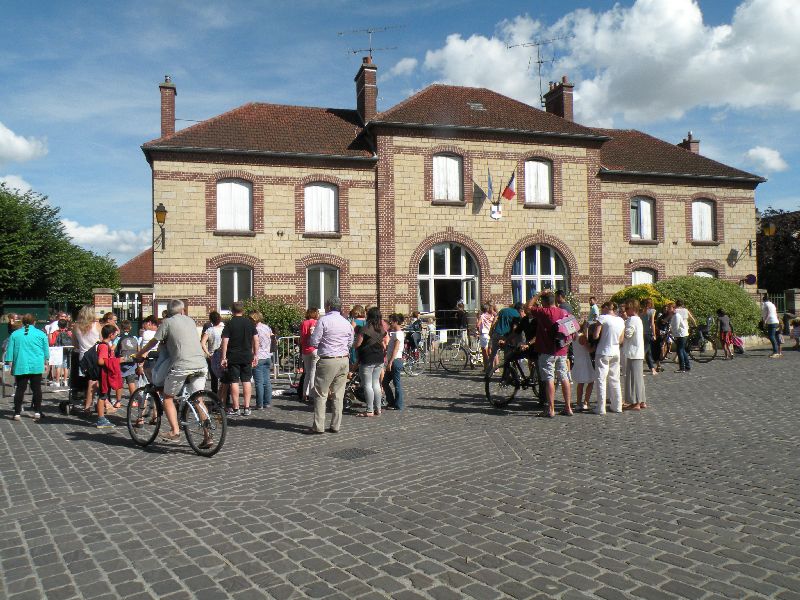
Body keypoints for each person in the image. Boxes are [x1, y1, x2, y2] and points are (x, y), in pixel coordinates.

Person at [135, 300, 210, 445]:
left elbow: (154, 341)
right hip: (201, 364)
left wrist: (141, 353)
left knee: (167, 397)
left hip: (183, 365)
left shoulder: (167, 323)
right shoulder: (190, 321)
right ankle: (208, 436)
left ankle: (175, 431)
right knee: (198, 399)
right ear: (183, 311)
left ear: (168, 312)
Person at [308, 297, 354, 434]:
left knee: (321, 393)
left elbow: (314, 341)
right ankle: (335, 425)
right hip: (343, 359)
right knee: (338, 394)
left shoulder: (323, 320)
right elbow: (350, 342)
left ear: (328, 306)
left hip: (328, 359)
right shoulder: (346, 322)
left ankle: (319, 426)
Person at [527, 292, 573, 418]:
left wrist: (538, 294)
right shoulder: (563, 312)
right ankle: (568, 407)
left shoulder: (544, 312)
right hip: (562, 350)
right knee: (564, 377)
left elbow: (528, 307)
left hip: (547, 351)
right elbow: (572, 328)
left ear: (545, 302)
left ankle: (550, 409)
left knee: (549, 379)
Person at [6, 314, 49, 421]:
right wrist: (46, 361)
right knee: (37, 389)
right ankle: (38, 411)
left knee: (20, 389)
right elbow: (46, 350)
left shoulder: (15, 334)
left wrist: (9, 362)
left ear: (23, 322)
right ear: (34, 322)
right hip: (36, 364)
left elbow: (9, 350)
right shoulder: (41, 334)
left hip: (21, 364)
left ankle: (17, 413)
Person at [220, 302, 258, 416]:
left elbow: (225, 341)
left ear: (232, 311)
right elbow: (256, 340)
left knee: (234, 381)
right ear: (243, 310)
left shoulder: (229, 323)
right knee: (246, 381)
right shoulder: (250, 323)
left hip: (233, 356)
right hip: (247, 355)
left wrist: (223, 357)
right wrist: (256, 354)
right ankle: (247, 407)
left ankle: (236, 408)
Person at [354, 307, 387, 417]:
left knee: (367, 384)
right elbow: (383, 344)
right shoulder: (381, 329)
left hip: (367, 358)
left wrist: (352, 344)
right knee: (376, 383)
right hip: (379, 359)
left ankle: (369, 410)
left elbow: (358, 344)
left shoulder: (365, 329)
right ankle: (378, 409)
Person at [592, 302, 625, 414]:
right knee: (615, 379)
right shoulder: (621, 320)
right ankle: (617, 406)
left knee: (601, 379)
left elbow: (595, 335)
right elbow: (621, 340)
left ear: (606, 308)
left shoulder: (602, 318)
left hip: (603, 351)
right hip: (616, 351)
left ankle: (601, 407)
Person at [72, 305, 101, 412]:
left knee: (89, 379)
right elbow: (102, 340)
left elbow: (75, 344)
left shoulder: (76, 326)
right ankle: (91, 404)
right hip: (95, 355)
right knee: (94, 381)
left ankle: (89, 402)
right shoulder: (96, 325)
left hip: (83, 356)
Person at [96, 324, 123, 427]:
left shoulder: (106, 345)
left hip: (106, 373)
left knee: (104, 395)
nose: (116, 336)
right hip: (104, 374)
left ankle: (101, 417)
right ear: (111, 335)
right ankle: (101, 419)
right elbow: (101, 361)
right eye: (115, 334)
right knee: (102, 396)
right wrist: (116, 361)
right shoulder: (103, 346)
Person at [622, 300, 647, 410]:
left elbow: (628, 334)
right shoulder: (638, 319)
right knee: (638, 378)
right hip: (638, 352)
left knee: (633, 379)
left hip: (633, 352)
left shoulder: (631, 319)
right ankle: (641, 401)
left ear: (632, 309)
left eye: (627, 308)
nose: (626, 310)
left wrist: (622, 327)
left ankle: (635, 402)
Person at [487, 302, 524, 373]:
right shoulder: (517, 314)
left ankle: (488, 372)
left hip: (496, 333)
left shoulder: (503, 310)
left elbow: (495, 319)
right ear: (520, 309)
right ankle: (506, 374)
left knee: (493, 354)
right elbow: (514, 327)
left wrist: (491, 330)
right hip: (506, 335)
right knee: (507, 355)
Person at [250, 311, 273, 410]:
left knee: (259, 382)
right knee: (267, 381)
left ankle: (259, 404)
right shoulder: (266, 327)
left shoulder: (255, 329)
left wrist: (253, 354)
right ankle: (267, 402)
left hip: (258, 356)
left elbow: (255, 343)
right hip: (267, 356)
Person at [384, 314, 406, 410]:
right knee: (384, 382)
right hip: (393, 360)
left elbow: (396, 349)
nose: (390, 323)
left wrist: (390, 362)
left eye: (391, 321)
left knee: (396, 383)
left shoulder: (398, 334)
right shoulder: (395, 333)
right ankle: (391, 402)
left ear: (396, 322)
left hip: (395, 361)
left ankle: (398, 404)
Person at [572, 321, 594, 412]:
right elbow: (589, 350)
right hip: (585, 361)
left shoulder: (574, 336)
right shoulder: (582, 337)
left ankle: (578, 403)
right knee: (591, 381)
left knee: (580, 383)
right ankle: (586, 402)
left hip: (578, 360)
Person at [200, 311, 224, 394]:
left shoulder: (209, 330)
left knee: (214, 378)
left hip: (212, 355)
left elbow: (202, 343)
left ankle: (215, 397)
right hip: (223, 355)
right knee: (224, 378)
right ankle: (225, 398)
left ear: (211, 320)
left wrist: (208, 353)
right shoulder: (224, 328)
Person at [115, 320, 140, 399]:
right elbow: (138, 349)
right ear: (130, 328)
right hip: (132, 362)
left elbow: (114, 349)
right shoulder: (135, 338)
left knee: (120, 382)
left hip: (121, 361)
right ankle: (133, 400)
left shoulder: (118, 338)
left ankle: (118, 401)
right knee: (131, 381)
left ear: (121, 328)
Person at [49, 318, 73, 387]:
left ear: (58, 325)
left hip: (58, 351)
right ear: (66, 325)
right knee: (66, 366)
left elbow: (52, 342)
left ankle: (57, 382)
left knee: (58, 366)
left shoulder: (56, 332)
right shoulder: (69, 333)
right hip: (66, 351)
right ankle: (65, 381)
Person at [669, 302, 691, 373]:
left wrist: (671, 332)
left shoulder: (676, 316)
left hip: (681, 335)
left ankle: (682, 368)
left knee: (680, 350)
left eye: (670, 308)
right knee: (682, 350)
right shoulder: (674, 315)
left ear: (674, 308)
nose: (668, 310)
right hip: (681, 334)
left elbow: (676, 326)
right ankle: (687, 366)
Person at [641, 298, 657, 375]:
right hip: (648, 333)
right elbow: (652, 323)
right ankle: (639, 368)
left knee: (648, 351)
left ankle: (652, 368)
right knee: (645, 351)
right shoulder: (652, 311)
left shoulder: (641, 311)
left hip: (641, 333)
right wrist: (654, 334)